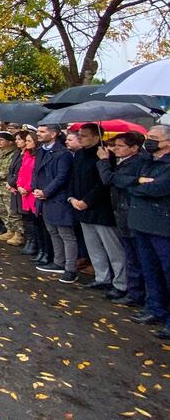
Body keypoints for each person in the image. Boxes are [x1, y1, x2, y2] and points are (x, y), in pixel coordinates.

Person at [70, 124, 126, 295]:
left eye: (84, 135)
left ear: (96, 137)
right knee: (93, 247)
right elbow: (74, 178)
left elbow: (103, 183)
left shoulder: (105, 155)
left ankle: (121, 283)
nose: (80, 138)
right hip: (81, 206)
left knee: (113, 248)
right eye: (79, 135)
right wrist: (72, 198)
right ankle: (102, 277)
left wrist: (87, 201)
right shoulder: (79, 154)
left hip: (101, 208)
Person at [127, 125, 170, 339]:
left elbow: (158, 188)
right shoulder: (146, 161)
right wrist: (137, 183)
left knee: (166, 271)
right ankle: (155, 309)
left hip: (162, 226)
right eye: (147, 136)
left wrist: (137, 186)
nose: (148, 141)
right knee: (150, 270)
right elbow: (124, 180)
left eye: (153, 137)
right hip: (141, 223)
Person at [97, 131, 147, 304]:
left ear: (134, 148)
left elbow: (109, 179)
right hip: (121, 212)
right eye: (114, 145)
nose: (115, 149)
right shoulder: (122, 161)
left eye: (120, 146)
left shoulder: (136, 163)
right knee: (130, 255)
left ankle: (136, 294)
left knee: (135, 258)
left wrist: (104, 161)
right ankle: (132, 291)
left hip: (130, 213)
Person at [33, 124, 77, 283]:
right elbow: (36, 172)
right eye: (38, 131)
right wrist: (36, 188)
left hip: (58, 198)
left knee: (66, 234)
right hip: (43, 197)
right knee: (53, 231)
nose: (38, 134)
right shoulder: (40, 151)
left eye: (42, 131)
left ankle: (70, 268)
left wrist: (46, 191)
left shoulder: (63, 154)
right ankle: (58, 262)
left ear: (53, 134)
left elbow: (62, 176)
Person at [0, 131, 22, 244]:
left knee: (12, 212)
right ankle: (9, 230)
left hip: (7, 186)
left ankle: (19, 234)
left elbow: (10, 169)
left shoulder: (14, 153)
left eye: (2, 140)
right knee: (2, 210)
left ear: (10, 142)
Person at [13, 131, 41, 256]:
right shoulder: (26, 155)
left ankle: (35, 244)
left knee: (34, 220)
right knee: (27, 219)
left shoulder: (37, 157)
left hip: (30, 192)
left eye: (29, 141)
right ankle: (30, 241)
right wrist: (19, 185)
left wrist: (27, 188)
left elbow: (34, 175)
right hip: (23, 191)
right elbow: (21, 172)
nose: (26, 143)